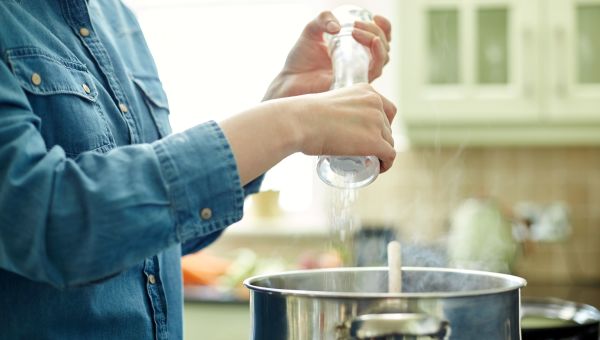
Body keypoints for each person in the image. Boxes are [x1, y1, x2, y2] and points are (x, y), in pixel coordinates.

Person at [0, 0, 395, 338]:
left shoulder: (114, 18)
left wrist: (285, 97)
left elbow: (151, 235)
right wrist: (289, 123)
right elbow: (45, 221)